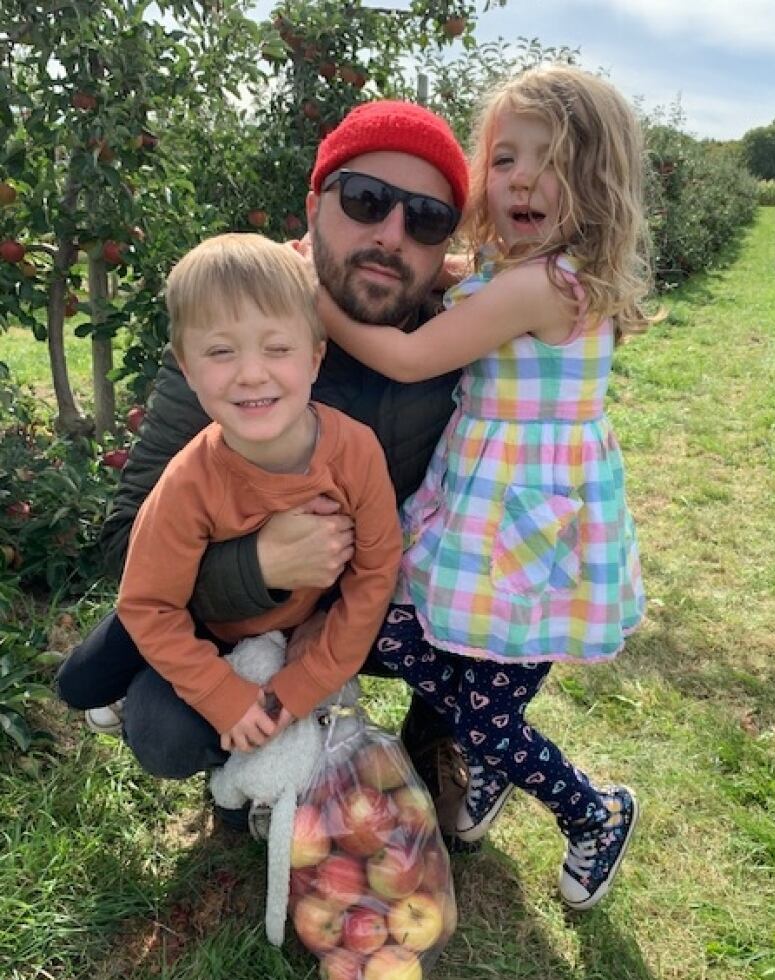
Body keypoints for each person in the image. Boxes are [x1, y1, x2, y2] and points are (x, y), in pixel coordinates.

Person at [61, 101, 474, 839]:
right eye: (366, 200)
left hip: (379, 604)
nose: (390, 234)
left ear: (447, 246)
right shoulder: (239, 336)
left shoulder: (466, 342)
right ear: (315, 204)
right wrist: (261, 562)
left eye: (427, 219)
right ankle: (241, 757)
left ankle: (438, 730)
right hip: (243, 613)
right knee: (164, 729)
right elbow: (128, 540)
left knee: (524, 543)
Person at [317, 65, 654, 910]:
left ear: (597, 183)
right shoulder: (525, 270)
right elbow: (462, 276)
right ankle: (492, 755)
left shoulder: (539, 286)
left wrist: (309, 294)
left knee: (487, 711)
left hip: (523, 530)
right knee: (398, 635)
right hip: (491, 510)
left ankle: (595, 812)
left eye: (554, 163)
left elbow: (404, 353)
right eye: (505, 160)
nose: (523, 180)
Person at [58, 233, 402, 754]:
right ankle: (123, 667)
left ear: (314, 358)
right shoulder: (188, 477)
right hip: (194, 615)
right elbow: (150, 605)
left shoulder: (356, 453)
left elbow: (376, 574)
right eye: (221, 352)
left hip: (281, 628)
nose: (251, 373)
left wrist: (304, 683)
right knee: (79, 685)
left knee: (165, 734)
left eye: (277, 348)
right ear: (188, 368)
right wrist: (221, 693)